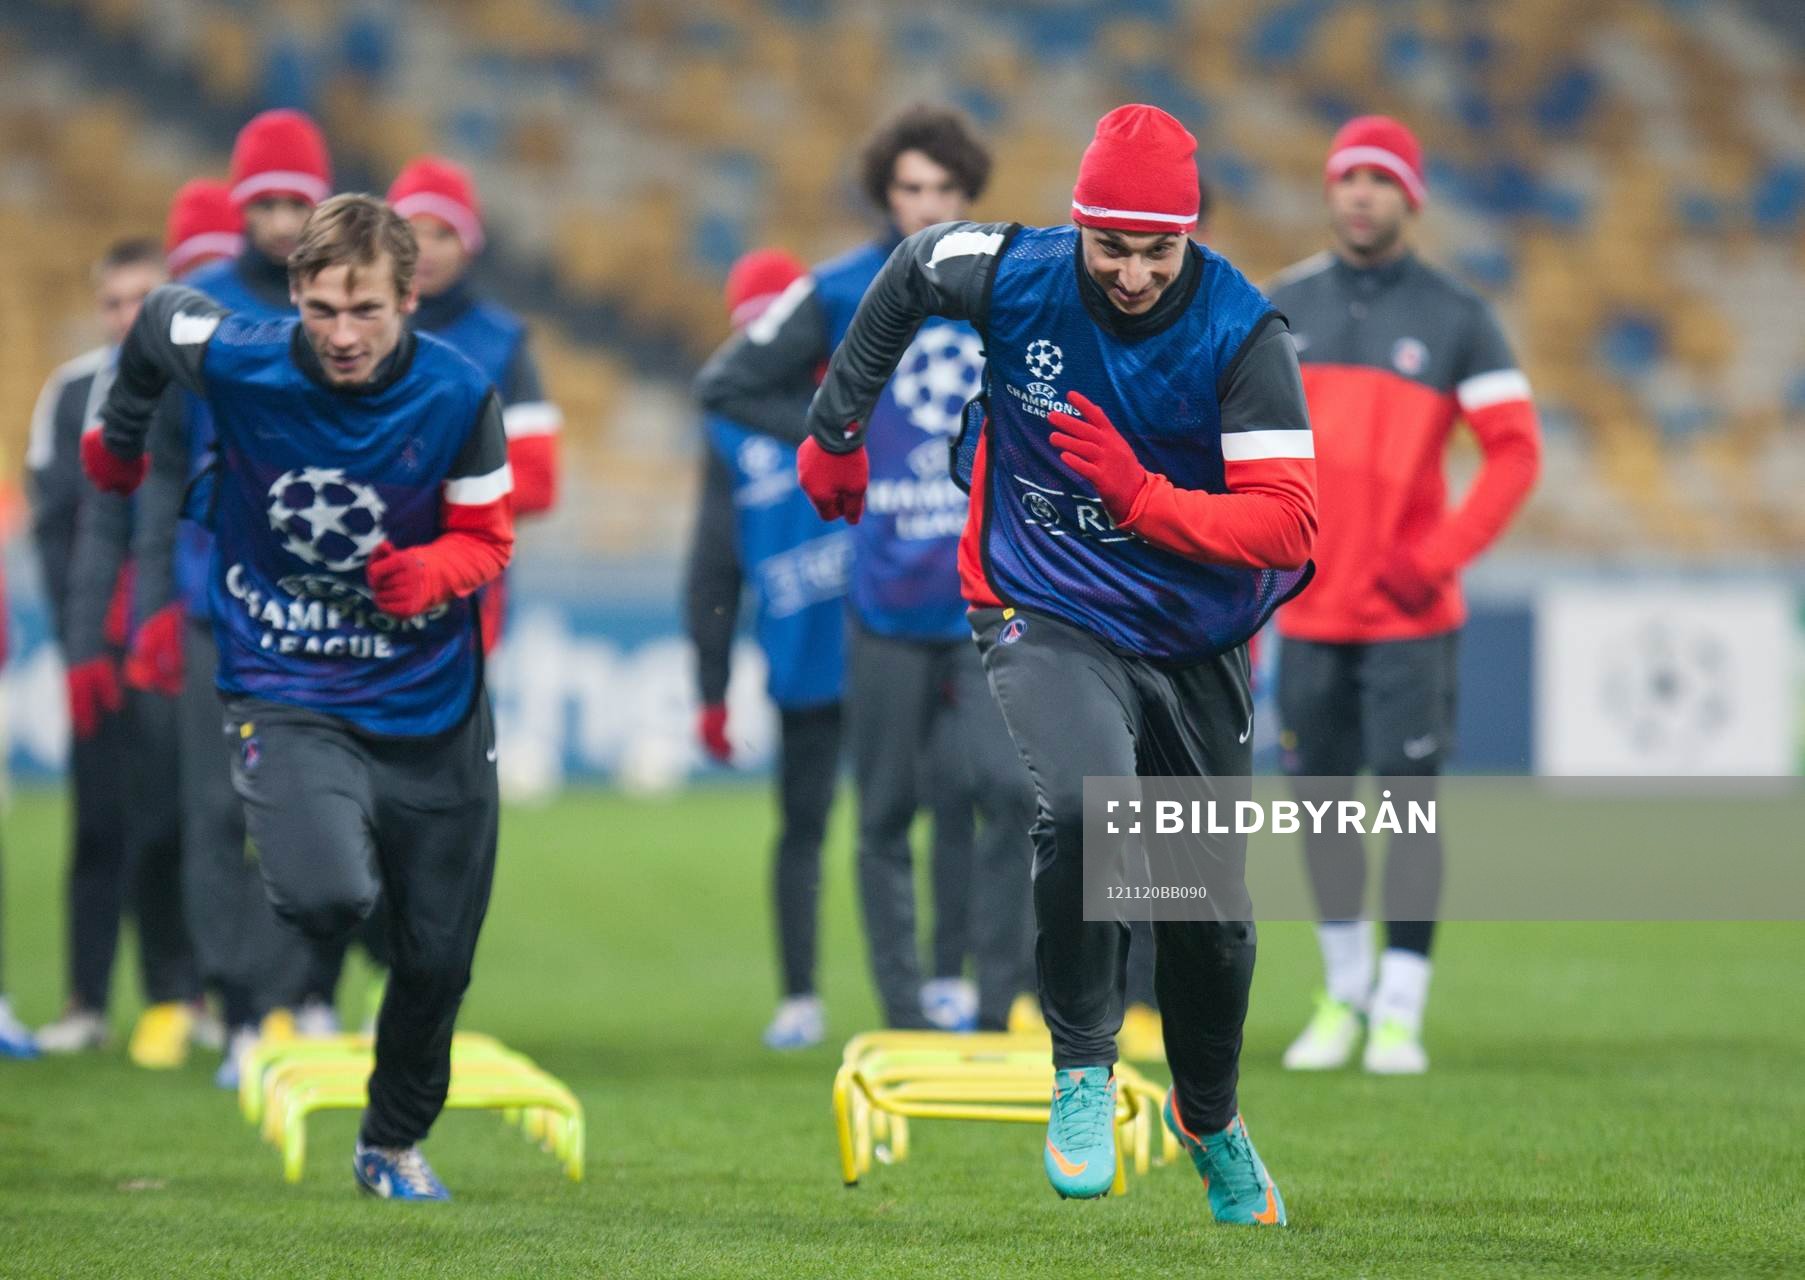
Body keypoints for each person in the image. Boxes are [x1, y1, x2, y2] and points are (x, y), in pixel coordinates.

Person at [795, 104, 1314, 1221]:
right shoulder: (1012, 271)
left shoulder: (1240, 332)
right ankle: (1082, 1063)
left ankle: (1207, 1113)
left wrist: (1141, 496)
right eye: (1108, 245)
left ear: (1188, 236)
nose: (1129, 273)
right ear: (1077, 225)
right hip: (1040, 603)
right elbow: (909, 267)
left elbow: (1286, 527)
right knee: (1086, 810)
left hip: (1192, 637)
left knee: (1210, 918)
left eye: (1155, 249)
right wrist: (836, 427)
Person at [86, 193, 512, 1201]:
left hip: (431, 704)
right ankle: (259, 983)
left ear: (410, 297)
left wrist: (433, 572)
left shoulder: (459, 395)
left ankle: (390, 1141)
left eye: (365, 308)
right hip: (288, 681)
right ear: (293, 296)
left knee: (438, 959)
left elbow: (487, 537)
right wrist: (120, 433)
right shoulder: (237, 353)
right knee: (326, 889)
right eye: (322, 308)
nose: (343, 333)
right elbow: (153, 323)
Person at [697, 103, 1035, 1035]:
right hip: (883, 604)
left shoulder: (1015, 281)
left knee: (1008, 796)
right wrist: (837, 441)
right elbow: (725, 385)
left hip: (990, 592)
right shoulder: (843, 289)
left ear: (969, 193)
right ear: (885, 194)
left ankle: (997, 1008)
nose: (924, 207)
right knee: (884, 813)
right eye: (908, 190)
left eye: (942, 190)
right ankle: (904, 1017)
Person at [1268, 116, 1540, 1076]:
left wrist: (1436, 556)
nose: (1359, 194)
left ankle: (1399, 1009)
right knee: (1322, 811)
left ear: (1410, 198)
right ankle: (1342, 992)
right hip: (1303, 611)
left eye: (1380, 179)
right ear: (1330, 189)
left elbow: (1515, 452)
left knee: (1408, 808)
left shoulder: (1456, 312)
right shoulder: (1281, 305)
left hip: (1409, 617)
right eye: (1346, 176)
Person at [126, 113, 336, 1080]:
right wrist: (155, 599)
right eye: (267, 202)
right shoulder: (193, 307)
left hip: (322, 606)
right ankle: (242, 1006)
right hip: (218, 597)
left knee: (308, 815)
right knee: (215, 812)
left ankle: (290, 993)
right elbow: (163, 464)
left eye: (299, 200)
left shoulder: (347, 302)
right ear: (243, 204)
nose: (283, 218)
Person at [27, 237, 202, 1063]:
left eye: (144, 299)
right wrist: (79, 645)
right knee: (97, 825)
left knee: (175, 822)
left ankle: (182, 993)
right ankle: (85, 1000)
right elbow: (57, 531)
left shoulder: (198, 387)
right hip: (100, 644)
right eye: (115, 302)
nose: (129, 316)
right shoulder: (67, 395)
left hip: (171, 638)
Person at [685, 248, 852, 1048]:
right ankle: (799, 996)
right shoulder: (728, 433)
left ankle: (947, 982)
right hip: (801, 657)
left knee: (934, 811)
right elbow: (711, 569)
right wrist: (711, 689)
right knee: (803, 828)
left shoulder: (861, 398)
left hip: (891, 638)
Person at [387, 154, 560, 651]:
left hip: (466, 592)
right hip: (360, 584)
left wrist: (424, 489)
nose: (425, 249)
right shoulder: (354, 329)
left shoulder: (502, 343)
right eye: (412, 232)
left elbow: (539, 480)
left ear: (468, 243)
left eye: (442, 233)